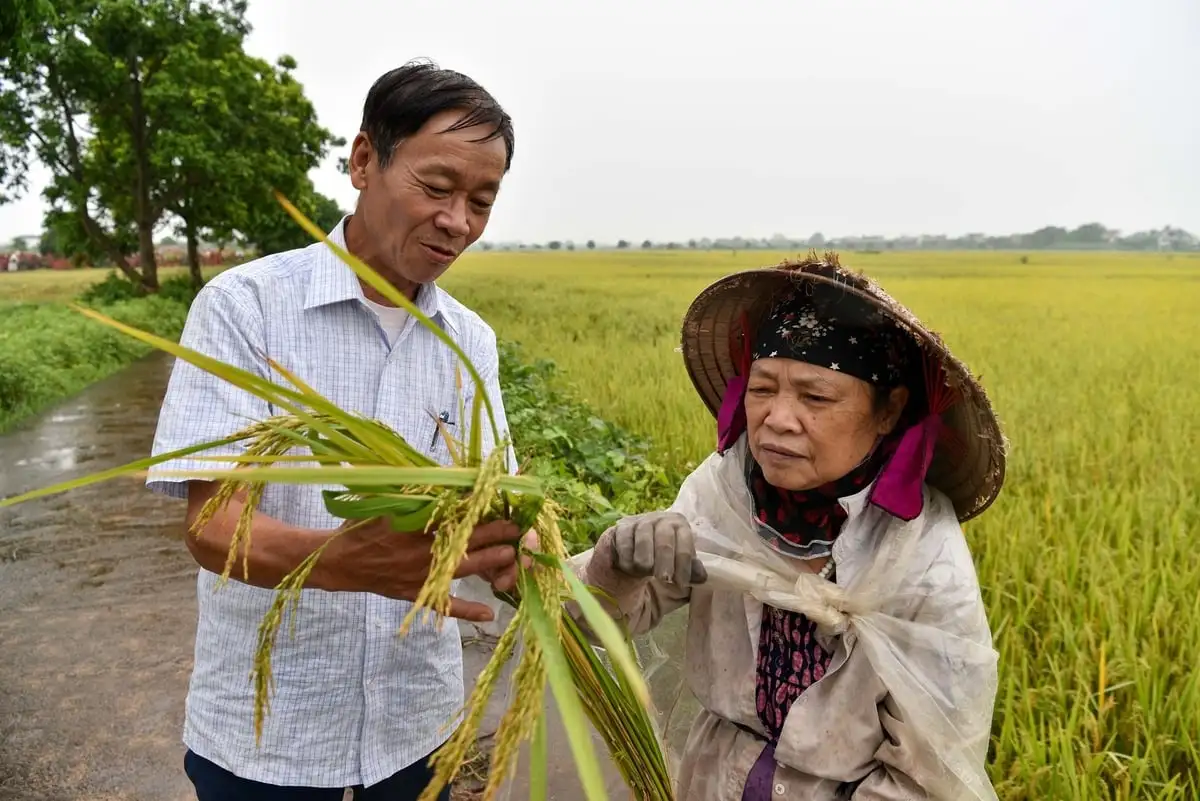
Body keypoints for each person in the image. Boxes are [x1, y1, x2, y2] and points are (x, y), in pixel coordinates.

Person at [146, 61, 522, 801]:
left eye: (481, 202)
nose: (458, 222)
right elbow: (211, 527)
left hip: (418, 723)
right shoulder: (245, 307)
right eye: (437, 187)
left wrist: (547, 555)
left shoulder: (469, 341)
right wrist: (344, 560)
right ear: (363, 160)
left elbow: (492, 503)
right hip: (268, 735)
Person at [567, 253, 1006, 800]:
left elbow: (928, 773)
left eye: (815, 396)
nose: (777, 419)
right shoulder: (722, 492)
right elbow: (592, 624)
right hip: (712, 780)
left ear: (889, 411)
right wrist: (614, 567)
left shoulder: (921, 555)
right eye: (762, 389)